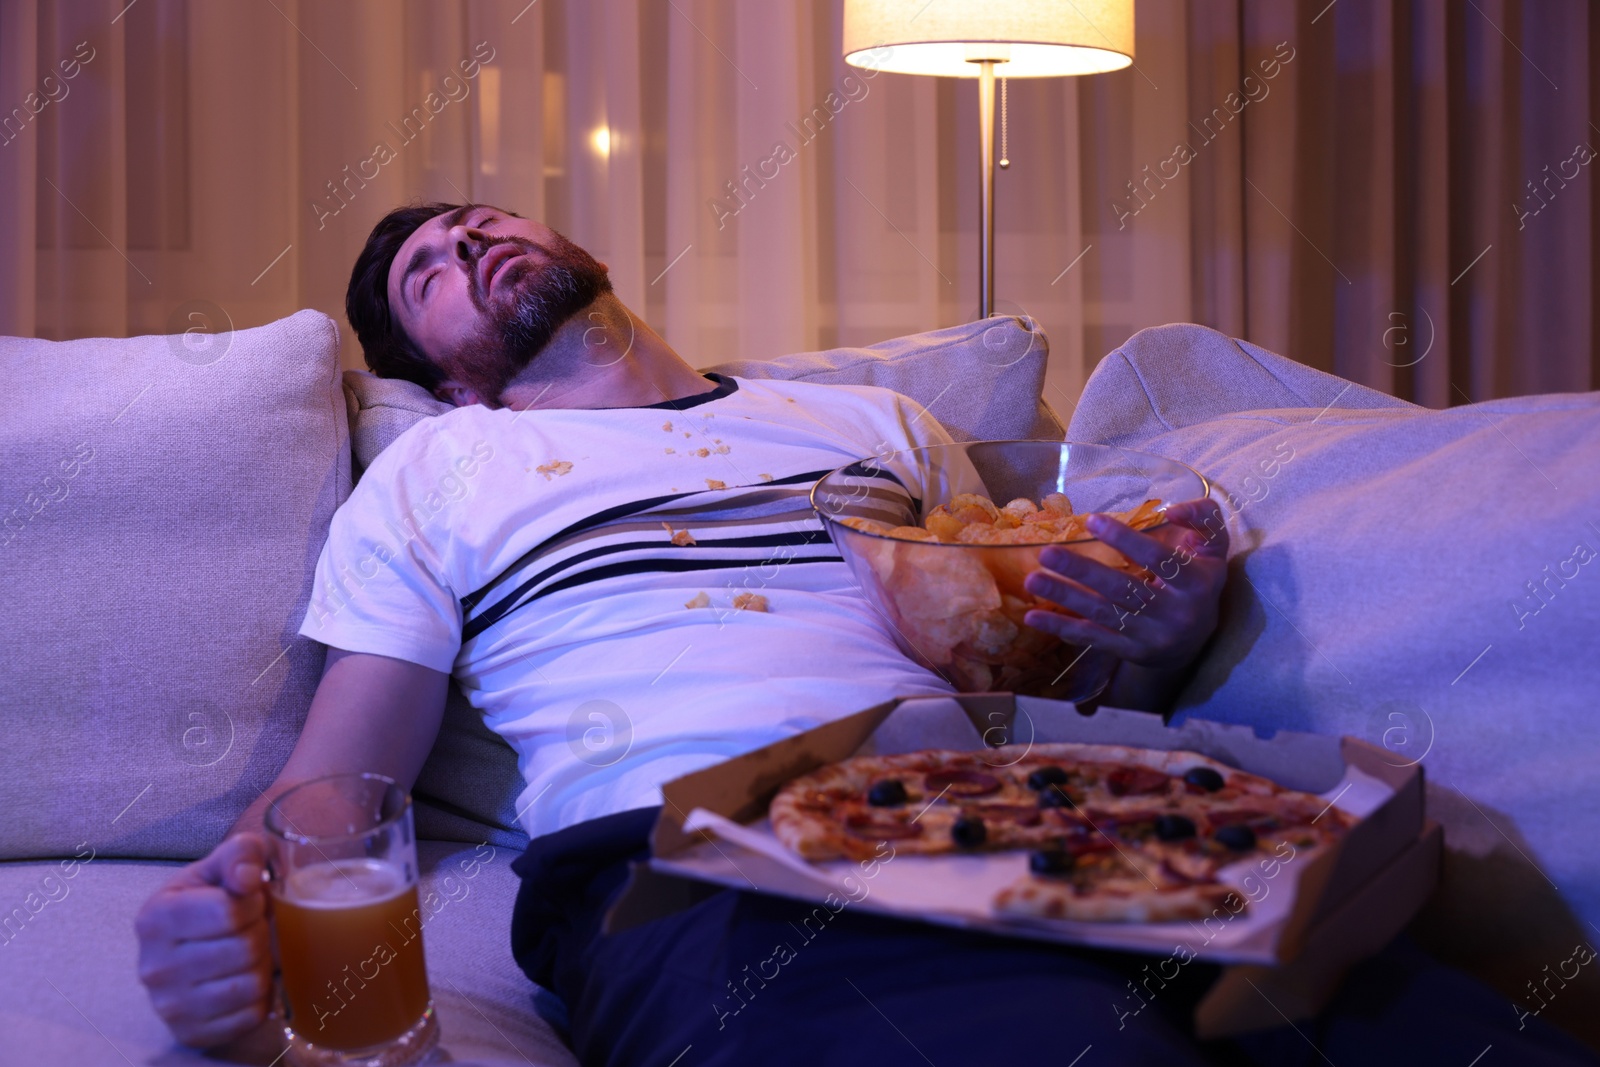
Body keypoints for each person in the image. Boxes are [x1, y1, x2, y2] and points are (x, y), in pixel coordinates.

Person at [134, 204, 1595, 1066]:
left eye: (479, 218)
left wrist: (1153, 631)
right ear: (440, 381)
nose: (470, 237)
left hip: (1026, 811)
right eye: (430, 271)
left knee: (1447, 1027)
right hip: (695, 851)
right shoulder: (442, 472)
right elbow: (341, 784)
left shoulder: (872, 423)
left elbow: (1021, 675)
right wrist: (240, 906)